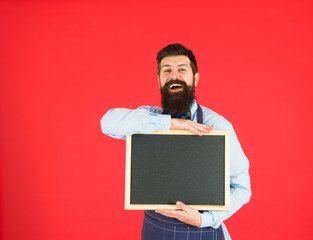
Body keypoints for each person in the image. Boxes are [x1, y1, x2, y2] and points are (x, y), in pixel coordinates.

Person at [100, 43, 251, 240]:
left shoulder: (217, 125)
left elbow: (242, 188)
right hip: (156, 229)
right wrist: (169, 124)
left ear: (195, 79)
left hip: (203, 230)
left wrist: (205, 219)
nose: (174, 75)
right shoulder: (146, 119)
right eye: (167, 70)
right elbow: (107, 123)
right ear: (159, 80)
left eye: (182, 69)